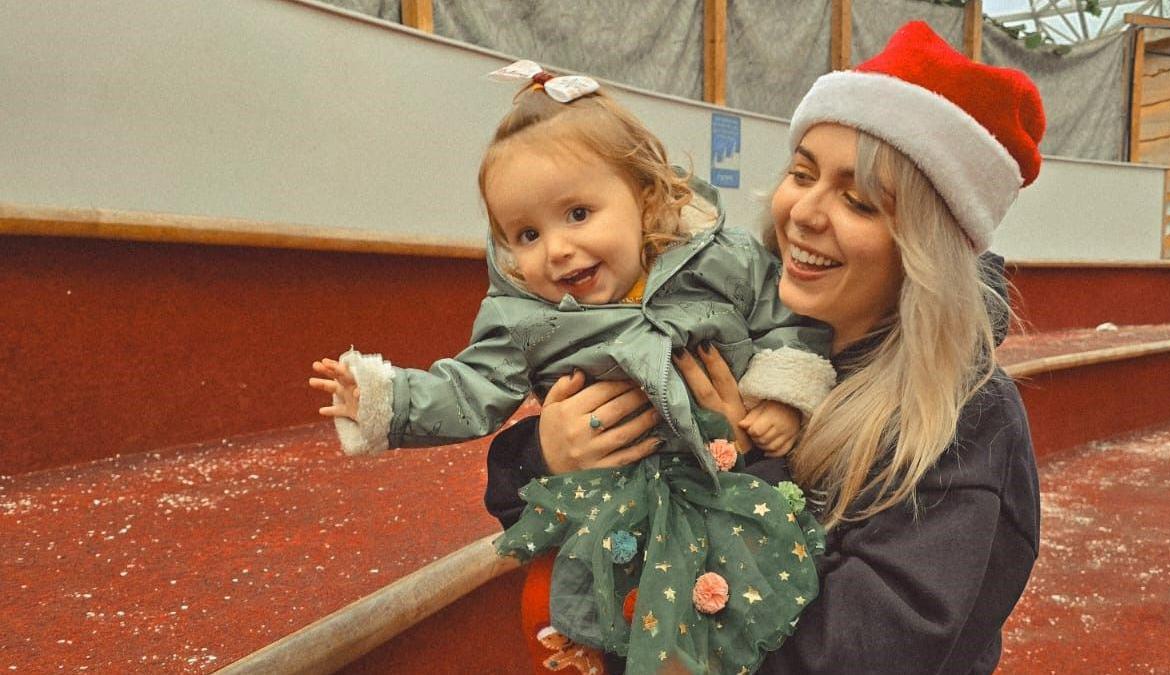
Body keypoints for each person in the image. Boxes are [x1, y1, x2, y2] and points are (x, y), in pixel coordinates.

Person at [485, 22, 1042, 674]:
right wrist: (547, 452)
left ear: (925, 250)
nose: (805, 210)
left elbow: (848, 655)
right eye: (802, 173)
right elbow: (543, 510)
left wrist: (739, 462)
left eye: (858, 201)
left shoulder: (966, 418)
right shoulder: (735, 329)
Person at [308, 60, 835, 674]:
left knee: (762, 602)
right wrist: (388, 400)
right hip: (621, 507)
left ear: (644, 196)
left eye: (578, 214)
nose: (556, 248)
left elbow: (785, 321)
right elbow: (471, 384)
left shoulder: (723, 259)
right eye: (526, 234)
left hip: (735, 488)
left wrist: (782, 396)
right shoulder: (525, 316)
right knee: (613, 621)